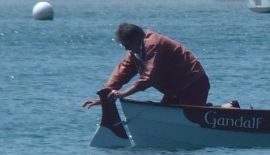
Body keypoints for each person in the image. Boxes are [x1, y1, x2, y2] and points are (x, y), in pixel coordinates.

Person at [82, 23, 212, 109]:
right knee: (165, 115)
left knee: (189, 116)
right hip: (174, 90)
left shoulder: (153, 45)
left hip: (194, 83)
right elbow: (122, 72)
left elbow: (149, 77)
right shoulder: (135, 51)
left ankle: (228, 108)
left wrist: (123, 94)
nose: (126, 48)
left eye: (127, 44)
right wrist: (105, 95)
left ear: (136, 40)